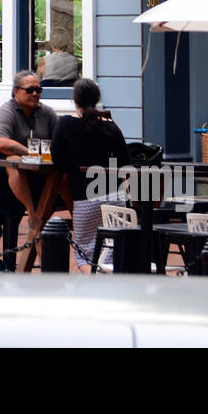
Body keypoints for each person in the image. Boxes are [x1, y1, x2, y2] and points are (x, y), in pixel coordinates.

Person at [51, 78, 130, 271]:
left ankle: (93, 286)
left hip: (84, 199)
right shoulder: (111, 126)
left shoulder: (65, 124)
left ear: (74, 100)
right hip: (114, 198)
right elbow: (126, 161)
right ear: (97, 99)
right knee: (112, 252)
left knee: (84, 254)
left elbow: (56, 158)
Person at [0, 71, 58, 233]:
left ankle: (79, 225)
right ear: (16, 91)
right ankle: (33, 215)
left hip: (33, 174)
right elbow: (2, 144)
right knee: (13, 159)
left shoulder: (47, 113)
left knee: (61, 173)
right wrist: (31, 153)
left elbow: (59, 143)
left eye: (38, 90)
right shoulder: (5, 112)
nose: (35, 93)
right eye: (29, 90)